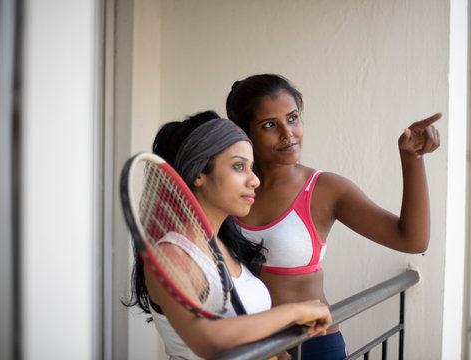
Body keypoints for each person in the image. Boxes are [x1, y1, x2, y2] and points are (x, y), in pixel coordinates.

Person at [225, 74, 441, 359]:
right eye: (269, 125)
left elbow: (413, 240)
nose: (287, 133)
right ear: (245, 133)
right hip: (248, 347)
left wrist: (412, 159)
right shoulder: (229, 188)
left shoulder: (325, 190)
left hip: (312, 345)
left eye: (292, 118)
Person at [124, 111, 333, 360]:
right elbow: (208, 341)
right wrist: (297, 311)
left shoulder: (225, 246)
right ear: (199, 173)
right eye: (238, 166)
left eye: (251, 167)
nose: (254, 179)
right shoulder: (171, 254)